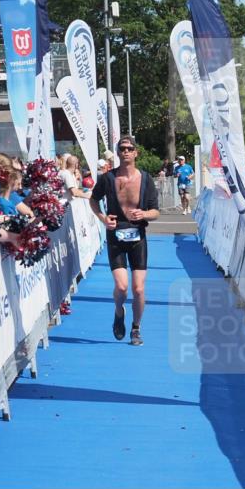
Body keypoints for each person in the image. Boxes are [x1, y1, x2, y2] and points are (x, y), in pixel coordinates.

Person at [89, 135, 160, 346]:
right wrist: (103, 218)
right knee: (122, 287)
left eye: (130, 148)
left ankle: (136, 328)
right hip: (116, 236)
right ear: (118, 153)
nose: (126, 151)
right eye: (122, 149)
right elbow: (93, 200)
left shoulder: (146, 179)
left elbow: (156, 211)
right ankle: (119, 311)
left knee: (138, 289)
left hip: (138, 236)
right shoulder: (108, 178)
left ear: (136, 152)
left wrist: (144, 215)